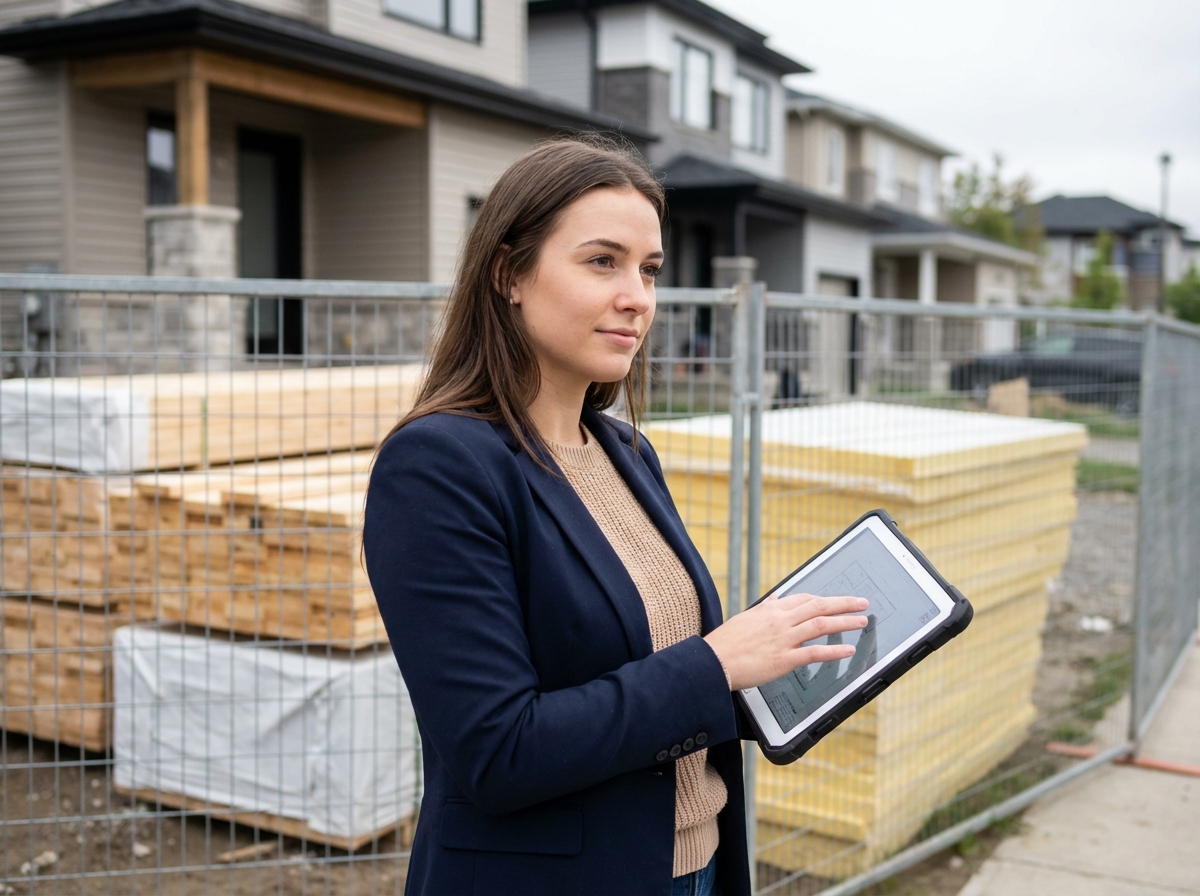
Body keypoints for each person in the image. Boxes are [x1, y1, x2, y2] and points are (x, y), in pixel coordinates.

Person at [363, 136, 869, 896]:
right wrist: (718, 662)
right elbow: (499, 752)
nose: (638, 297)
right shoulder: (440, 466)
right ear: (508, 274)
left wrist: (777, 670)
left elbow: (653, 675)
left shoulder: (625, 452)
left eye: (649, 269)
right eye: (603, 261)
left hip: (696, 869)